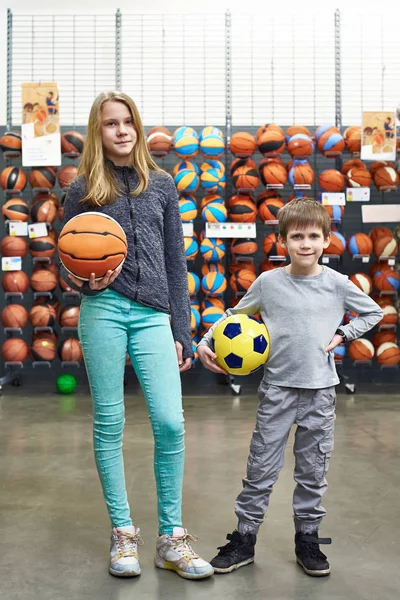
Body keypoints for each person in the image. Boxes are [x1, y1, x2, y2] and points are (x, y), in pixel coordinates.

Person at [61, 91, 214, 580]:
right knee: (110, 423)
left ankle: (171, 537)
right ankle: (123, 533)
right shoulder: (82, 187)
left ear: (138, 127)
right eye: (111, 123)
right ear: (98, 131)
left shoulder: (163, 184)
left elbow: (175, 260)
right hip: (102, 309)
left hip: (153, 314)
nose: (122, 130)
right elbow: (66, 261)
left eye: (128, 121)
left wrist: (182, 330)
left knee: (170, 421)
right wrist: (85, 281)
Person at [198, 197, 383, 577]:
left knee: (313, 469)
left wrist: (343, 334)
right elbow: (234, 317)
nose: (305, 243)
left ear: (327, 240)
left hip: (320, 392)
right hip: (277, 391)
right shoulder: (268, 283)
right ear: (282, 240)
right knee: (261, 467)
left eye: (314, 235)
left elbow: (374, 311)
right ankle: (245, 538)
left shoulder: (337, 284)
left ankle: (308, 540)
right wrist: (205, 340)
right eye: (296, 236)